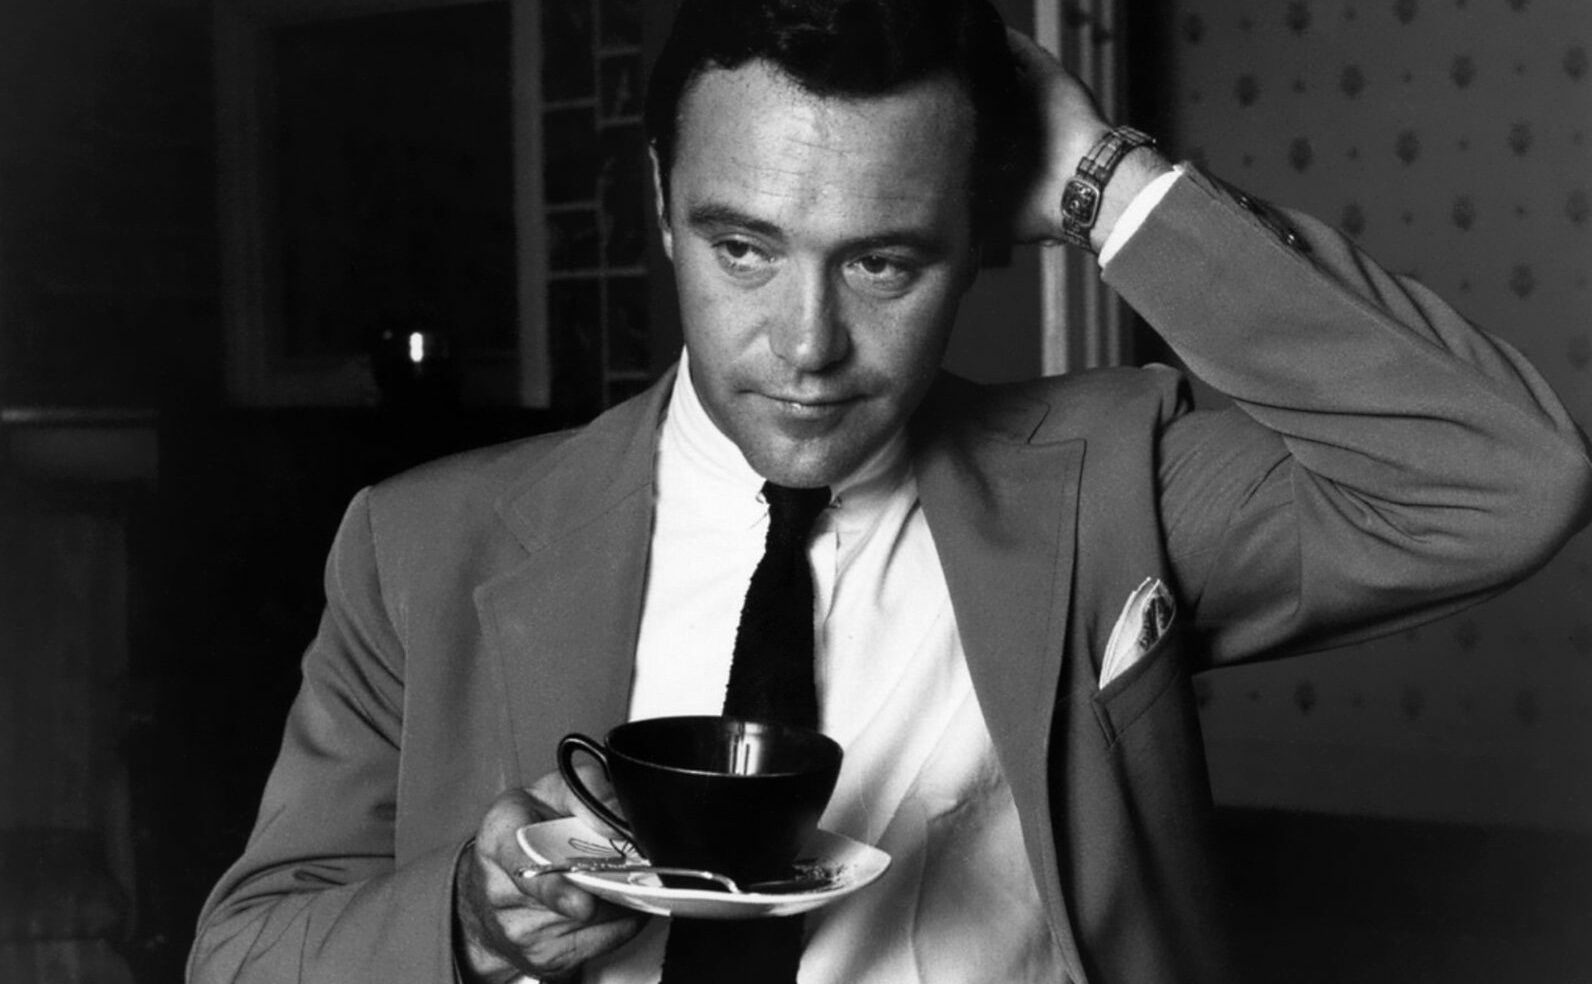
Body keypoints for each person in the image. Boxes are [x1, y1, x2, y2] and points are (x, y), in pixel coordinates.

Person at [188, 1, 1592, 982]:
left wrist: (1105, 182)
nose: (807, 346)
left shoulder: (1111, 485)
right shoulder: (421, 546)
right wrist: (471, 924)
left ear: (979, 236)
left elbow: (1508, 481)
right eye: (743, 250)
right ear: (660, 202)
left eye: (883, 262)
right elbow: (245, 954)